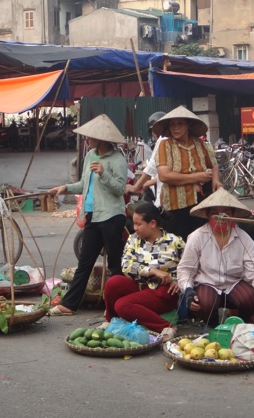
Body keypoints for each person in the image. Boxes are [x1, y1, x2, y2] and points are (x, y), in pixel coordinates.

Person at [48, 114, 127, 316]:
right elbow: (83, 185)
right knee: (84, 263)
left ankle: (117, 308)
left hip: (111, 216)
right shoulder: (91, 155)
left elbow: (120, 189)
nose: (87, 139)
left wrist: (103, 173)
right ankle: (69, 304)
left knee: (115, 265)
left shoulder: (117, 159)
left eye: (91, 136)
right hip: (92, 215)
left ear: (102, 138)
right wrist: (64, 187)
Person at [176, 188, 254, 325]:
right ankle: (212, 324)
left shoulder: (243, 239)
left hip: (234, 284)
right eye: (215, 214)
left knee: (250, 298)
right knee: (204, 303)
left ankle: (241, 323)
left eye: (225, 214)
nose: (220, 218)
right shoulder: (197, 237)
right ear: (208, 215)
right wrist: (188, 290)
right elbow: (185, 269)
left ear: (233, 215)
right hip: (208, 284)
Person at [101, 201, 185, 340]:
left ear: (152, 223)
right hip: (139, 287)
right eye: (134, 224)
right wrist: (152, 270)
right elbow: (126, 265)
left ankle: (166, 326)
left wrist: (180, 280)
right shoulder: (133, 240)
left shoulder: (174, 242)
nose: (135, 228)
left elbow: (191, 265)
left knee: (122, 305)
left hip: (163, 291)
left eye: (138, 224)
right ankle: (111, 320)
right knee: (113, 282)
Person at [153, 106, 222, 240]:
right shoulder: (165, 145)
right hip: (175, 206)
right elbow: (164, 175)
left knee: (202, 242)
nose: (175, 128)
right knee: (179, 245)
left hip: (201, 204)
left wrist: (215, 181)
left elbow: (213, 165)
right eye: (172, 124)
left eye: (180, 124)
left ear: (189, 125)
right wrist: (197, 177)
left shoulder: (200, 143)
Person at [127, 111, 167, 206]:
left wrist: (136, 186)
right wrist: (145, 184)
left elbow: (151, 169)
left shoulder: (162, 141)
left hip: (166, 196)